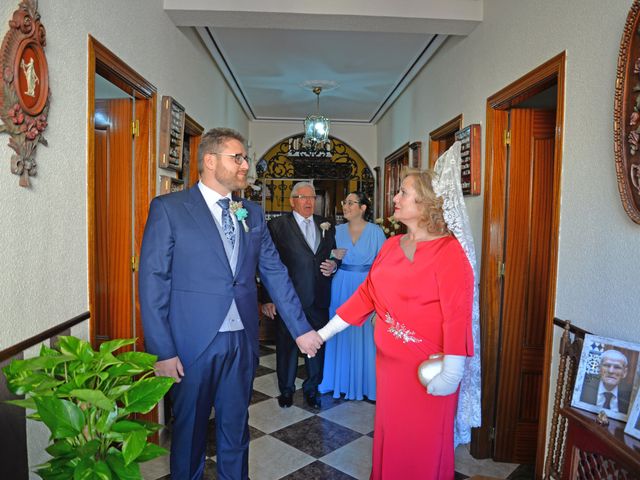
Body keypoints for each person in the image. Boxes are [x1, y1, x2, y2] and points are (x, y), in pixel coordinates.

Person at [138, 128, 322, 480]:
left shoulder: (250, 213)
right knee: (189, 433)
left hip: (241, 342)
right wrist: (162, 350)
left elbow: (275, 273)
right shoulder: (170, 210)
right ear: (210, 161)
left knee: (236, 431)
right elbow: (153, 283)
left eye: (245, 158)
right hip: (193, 343)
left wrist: (300, 329)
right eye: (237, 157)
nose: (245, 165)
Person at [318, 168, 474, 479]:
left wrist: (453, 371)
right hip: (390, 371)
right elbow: (365, 296)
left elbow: (458, 314)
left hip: (428, 371)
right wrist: (322, 334)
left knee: (423, 445)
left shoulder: (449, 252)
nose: (395, 198)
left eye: (403, 192)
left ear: (427, 201)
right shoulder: (390, 246)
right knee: (392, 440)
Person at [261, 182, 337, 410]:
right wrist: (267, 298)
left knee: (317, 346)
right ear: (292, 200)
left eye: (312, 197)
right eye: (302, 197)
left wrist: (334, 265)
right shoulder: (276, 225)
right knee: (286, 347)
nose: (308, 202)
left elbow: (332, 253)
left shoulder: (326, 224)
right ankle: (286, 390)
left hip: (319, 297)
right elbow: (266, 264)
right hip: (288, 299)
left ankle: (312, 389)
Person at [319, 191, 386, 401]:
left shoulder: (376, 232)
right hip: (341, 285)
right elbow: (324, 257)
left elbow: (384, 265)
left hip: (367, 286)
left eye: (350, 203)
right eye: (344, 202)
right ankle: (337, 381)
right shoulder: (335, 231)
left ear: (363, 208)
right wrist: (331, 258)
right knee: (341, 330)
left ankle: (366, 384)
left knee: (365, 333)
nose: (345, 206)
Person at [580, 349, 632, 414]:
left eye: (617, 367)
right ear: (599, 368)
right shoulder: (583, 387)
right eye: (607, 365)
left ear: (624, 372)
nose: (611, 371)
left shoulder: (630, 396)